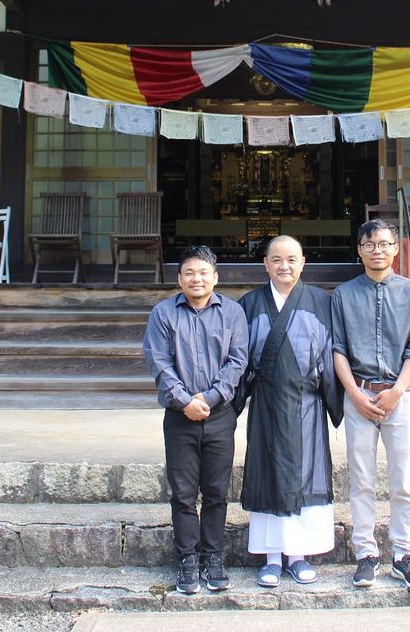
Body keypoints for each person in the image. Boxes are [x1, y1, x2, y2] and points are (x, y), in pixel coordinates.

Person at [236, 235, 343, 587]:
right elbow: (238, 358)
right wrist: (230, 405)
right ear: (265, 264)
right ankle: (270, 558)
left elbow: (330, 355)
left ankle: (298, 556)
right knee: (267, 474)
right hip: (266, 404)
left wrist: (337, 402)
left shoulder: (320, 302)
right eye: (277, 259)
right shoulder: (250, 304)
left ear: (303, 263)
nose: (285, 266)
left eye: (292, 259)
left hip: (306, 405)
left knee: (306, 474)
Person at [141, 245, 248, 595]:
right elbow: (159, 362)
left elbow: (238, 361)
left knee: (216, 492)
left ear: (215, 277)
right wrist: (185, 401)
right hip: (179, 417)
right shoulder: (163, 313)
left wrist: (211, 397)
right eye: (189, 273)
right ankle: (187, 559)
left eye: (203, 273)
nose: (196, 279)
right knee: (184, 494)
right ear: (179, 279)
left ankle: (213, 558)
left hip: (220, 416)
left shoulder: (232, 312)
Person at [331, 218, 410, 591]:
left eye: (384, 244)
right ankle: (366, 555)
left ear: (396, 248)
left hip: (398, 397)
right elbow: (338, 350)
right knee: (361, 481)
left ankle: (403, 556)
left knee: (403, 480)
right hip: (357, 395)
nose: (377, 250)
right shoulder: (342, 295)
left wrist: (397, 391)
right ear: (359, 250)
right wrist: (355, 394)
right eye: (369, 244)